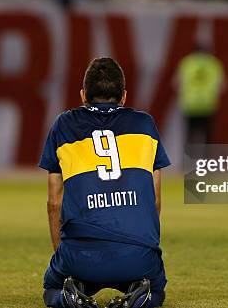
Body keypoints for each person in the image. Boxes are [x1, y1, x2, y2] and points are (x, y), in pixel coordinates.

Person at [39, 57, 169, 308]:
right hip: (138, 254)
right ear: (124, 97)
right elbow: (155, 200)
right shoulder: (145, 125)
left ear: (83, 94)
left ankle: (69, 297)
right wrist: (143, 244)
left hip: (80, 255)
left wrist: (63, 256)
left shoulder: (63, 125)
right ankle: (139, 296)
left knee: (52, 287)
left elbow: (54, 202)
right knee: (156, 290)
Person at [177, 45, 225, 144]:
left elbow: (177, 84)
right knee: (208, 138)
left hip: (190, 105)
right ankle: (206, 159)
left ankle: (189, 158)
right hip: (208, 106)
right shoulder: (214, 64)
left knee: (190, 137)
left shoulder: (187, 63)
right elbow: (222, 86)